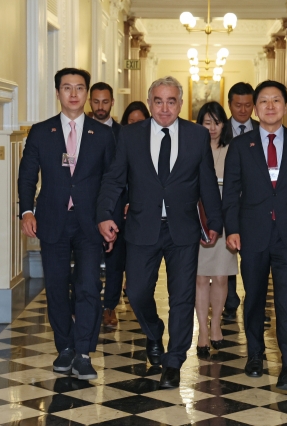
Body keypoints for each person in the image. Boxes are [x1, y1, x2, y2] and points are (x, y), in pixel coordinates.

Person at [96, 76, 223, 389]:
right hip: (141, 228)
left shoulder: (196, 136)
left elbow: (207, 182)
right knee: (137, 292)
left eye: (171, 101)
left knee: (182, 297)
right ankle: (154, 331)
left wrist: (216, 223)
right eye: (158, 101)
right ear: (149, 102)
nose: (164, 108)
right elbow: (114, 179)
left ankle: (174, 359)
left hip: (183, 230)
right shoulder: (129, 135)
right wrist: (103, 215)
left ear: (180, 104)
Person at [222, 80, 287, 391]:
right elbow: (231, 193)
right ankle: (255, 354)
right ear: (255, 107)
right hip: (252, 235)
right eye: (263, 101)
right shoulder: (241, 146)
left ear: (284, 106)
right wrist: (232, 229)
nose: (269, 106)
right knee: (253, 299)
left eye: (275, 100)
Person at [18, 68, 115, 380]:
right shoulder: (40, 132)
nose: (74, 94)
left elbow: (113, 180)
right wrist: (26, 212)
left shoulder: (102, 135)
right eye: (67, 88)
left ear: (86, 93)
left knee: (88, 286)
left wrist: (108, 216)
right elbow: (27, 176)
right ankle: (65, 348)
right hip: (52, 220)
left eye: (79, 88)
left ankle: (84, 351)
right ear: (58, 92)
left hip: (89, 223)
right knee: (57, 287)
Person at [194, 102, 238, 356]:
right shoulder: (192, 148)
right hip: (199, 219)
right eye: (206, 122)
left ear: (225, 124)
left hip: (225, 219)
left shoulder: (233, 150)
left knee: (221, 277)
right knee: (200, 278)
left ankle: (216, 326)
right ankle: (201, 330)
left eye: (217, 122)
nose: (211, 128)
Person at [89, 82, 125, 329]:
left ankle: (110, 307)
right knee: (87, 258)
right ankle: (88, 306)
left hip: (117, 204)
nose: (100, 107)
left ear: (112, 102)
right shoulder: (81, 131)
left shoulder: (124, 134)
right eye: (96, 102)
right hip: (86, 206)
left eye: (105, 102)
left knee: (115, 258)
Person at [223, 82, 260, 321]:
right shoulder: (217, 129)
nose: (243, 110)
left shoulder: (263, 129)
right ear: (230, 105)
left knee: (254, 257)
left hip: (255, 205)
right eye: (238, 105)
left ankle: (254, 302)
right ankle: (230, 298)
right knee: (226, 253)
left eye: (248, 105)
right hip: (226, 200)